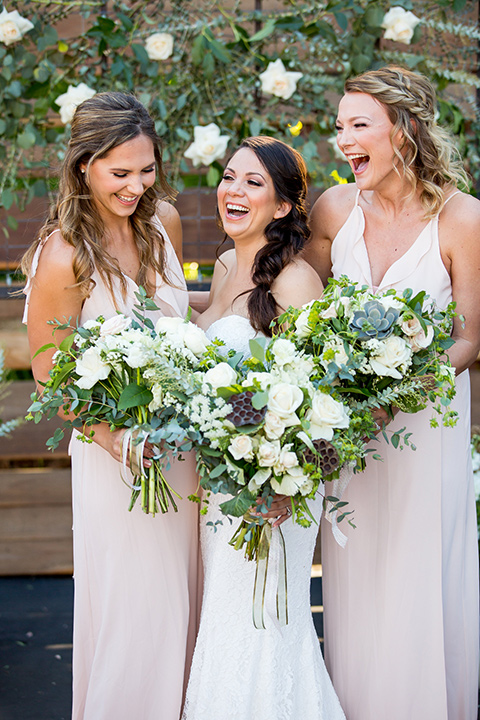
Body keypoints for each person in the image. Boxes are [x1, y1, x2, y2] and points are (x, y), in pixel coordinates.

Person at [305, 65, 480, 720]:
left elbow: (468, 337)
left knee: (423, 582)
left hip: (424, 431)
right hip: (350, 434)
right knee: (357, 584)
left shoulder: (462, 218)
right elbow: (302, 312)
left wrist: (398, 391)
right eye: (339, 127)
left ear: (404, 130)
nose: (344, 141)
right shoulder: (332, 209)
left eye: (359, 126)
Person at [22, 92, 200, 720]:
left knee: (188, 601)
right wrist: (117, 438)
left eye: (146, 169)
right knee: (136, 611)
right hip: (118, 459)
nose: (136, 186)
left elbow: (183, 321)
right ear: (83, 167)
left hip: (183, 453)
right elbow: (50, 371)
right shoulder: (65, 256)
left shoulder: (164, 225)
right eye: (119, 173)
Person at [182, 136, 346, 720]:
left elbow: (319, 398)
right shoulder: (226, 264)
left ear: (282, 207)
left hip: (276, 484)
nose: (234, 190)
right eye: (230, 177)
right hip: (225, 481)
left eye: (254, 183)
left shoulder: (295, 282)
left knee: (264, 618)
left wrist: (283, 481)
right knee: (227, 619)